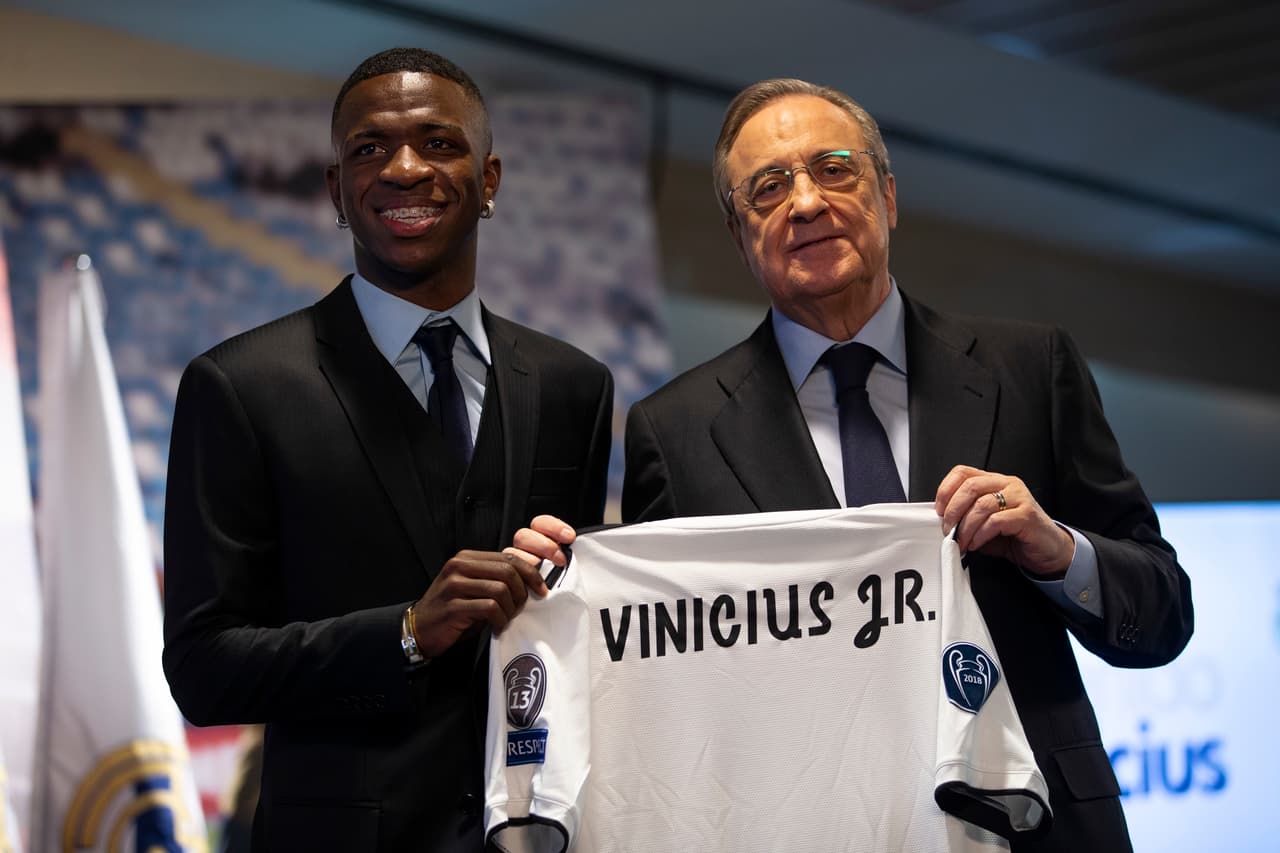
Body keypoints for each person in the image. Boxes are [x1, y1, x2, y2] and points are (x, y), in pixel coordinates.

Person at [520, 78, 1191, 852]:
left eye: (834, 169)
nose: (805, 202)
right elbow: (660, 673)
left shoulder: (1030, 368)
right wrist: (567, 598)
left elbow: (1164, 611)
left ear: (889, 196)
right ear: (741, 238)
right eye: (768, 188)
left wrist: (1058, 552)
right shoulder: (676, 429)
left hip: (1037, 828)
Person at [162, 48, 613, 852]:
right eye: (369, 148)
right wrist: (405, 631)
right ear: (338, 189)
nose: (405, 169)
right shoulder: (241, 385)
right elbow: (203, 667)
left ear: (491, 180)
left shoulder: (573, 385)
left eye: (439, 143)